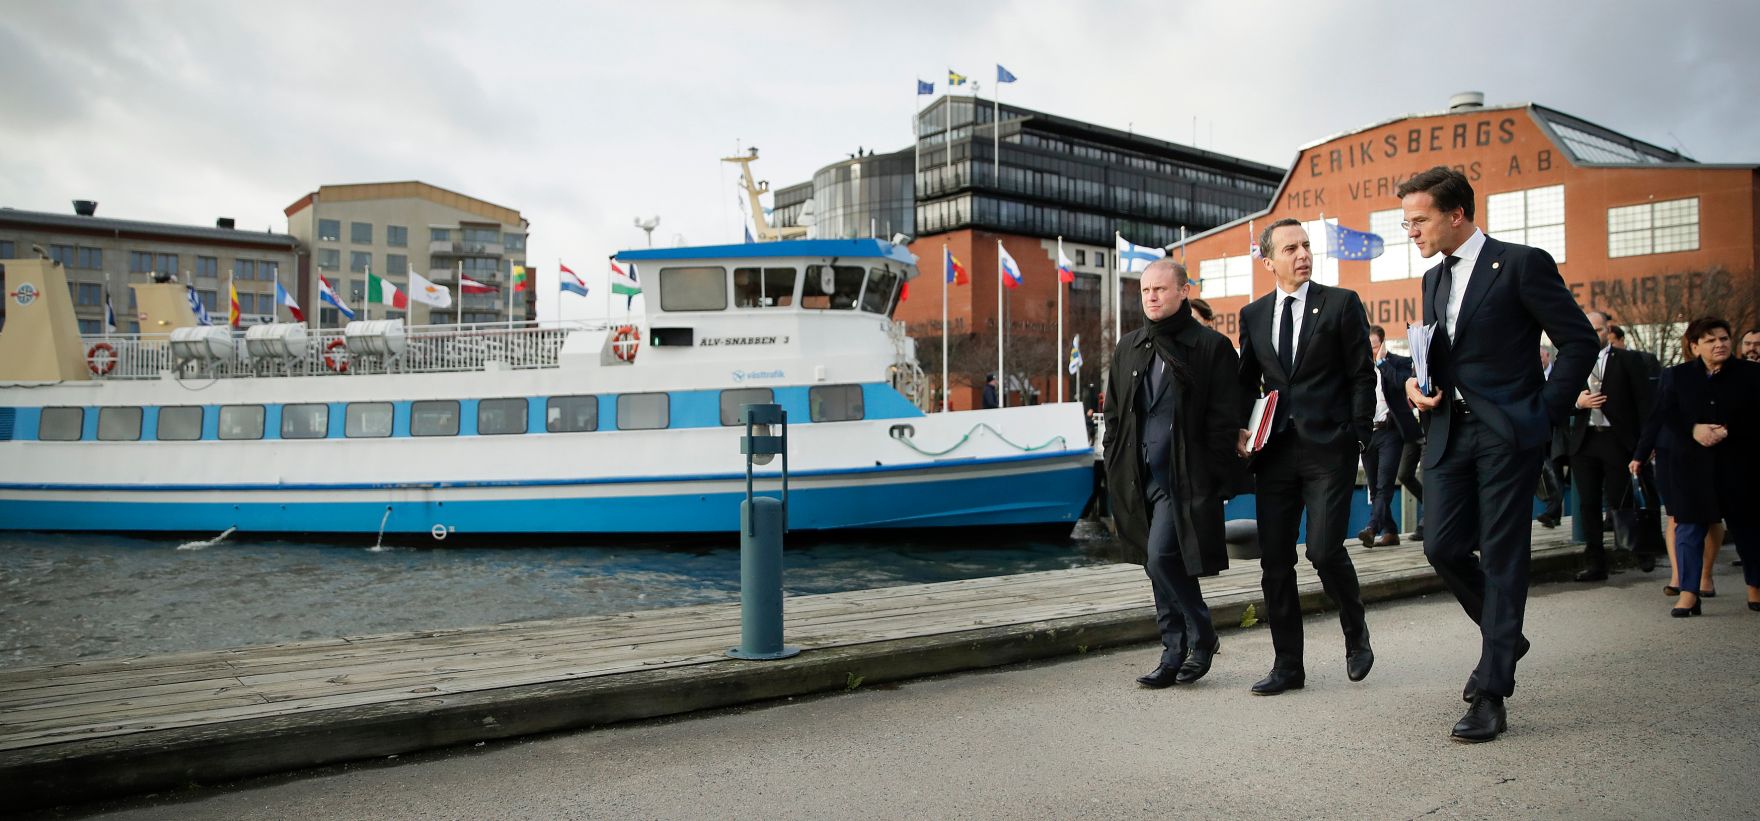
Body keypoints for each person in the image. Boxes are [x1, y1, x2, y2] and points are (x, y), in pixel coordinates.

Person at [1399, 166, 1598, 742]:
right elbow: (1441, 355)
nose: (1411, 231)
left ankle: (1492, 689)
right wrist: (1418, 386)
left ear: (1456, 213)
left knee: (1505, 554)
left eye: (1419, 220)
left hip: (1507, 432)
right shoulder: (1432, 281)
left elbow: (1578, 340)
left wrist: (1543, 410)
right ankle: (1505, 635)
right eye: (1407, 221)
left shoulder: (1520, 263)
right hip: (1447, 430)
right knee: (1441, 545)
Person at [1236, 218, 1377, 695]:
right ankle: (1288, 667)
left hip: (1327, 450)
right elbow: (1245, 382)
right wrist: (1240, 431)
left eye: (1306, 246)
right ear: (1268, 259)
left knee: (1322, 549)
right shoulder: (1253, 316)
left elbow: (1362, 374)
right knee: (1275, 563)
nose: (1302, 254)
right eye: (1290, 248)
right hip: (1274, 453)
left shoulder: (1340, 304)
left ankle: (1355, 632)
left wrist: (1356, 435)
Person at [1102, 259, 1243, 689]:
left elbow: (1225, 417)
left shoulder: (1210, 347)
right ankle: (1172, 650)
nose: (1151, 297)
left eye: (1160, 290)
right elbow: (1113, 412)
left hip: (1182, 477)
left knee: (1162, 557)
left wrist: (1215, 476)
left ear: (1183, 291)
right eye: (1145, 291)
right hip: (1133, 474)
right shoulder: (1129, 346)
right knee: (1152, 561)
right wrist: (1112, 456)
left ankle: (1201, 634)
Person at [1631, 316, 1760, 616]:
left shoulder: (1751, 374)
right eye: (1711, 340)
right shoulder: (1677, 376)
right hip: (1691, 465)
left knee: (1749, 530)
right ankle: (1689, 593)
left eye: (1724, 338)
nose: (1719, 344)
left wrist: (1730, 429)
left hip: (1739, 464)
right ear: (1694, 345)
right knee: (1688, 530)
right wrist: (1642, 454)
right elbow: (1662, 415)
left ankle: (1755, 586)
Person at [1566, 310, 1657, 580]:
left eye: (1598, 330)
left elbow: (1644, 402)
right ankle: (1596, 564)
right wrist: (1577, 403)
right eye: (1589, 329)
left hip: (1616, 439)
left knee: (1621, 497)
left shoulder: (1628, 360)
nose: (1594, 334)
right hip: (1585, 440)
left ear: (1608, 331)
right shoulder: (1572, 361)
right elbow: (1557, 400)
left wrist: (1645, 443)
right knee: (1588, 504)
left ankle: (1639, 549)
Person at [1357, 325, 1420, 548]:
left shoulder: (1398, 363)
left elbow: (1401, 384)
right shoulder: (1359, 368)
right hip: (1368, 433)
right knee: (1374, 487)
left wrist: (1383, 363)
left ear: (1382, 344)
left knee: (1385, 484)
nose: (1371, 351)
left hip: (1391, 431)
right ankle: (1391, 531)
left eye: (1374, 347)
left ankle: (1373, 527)